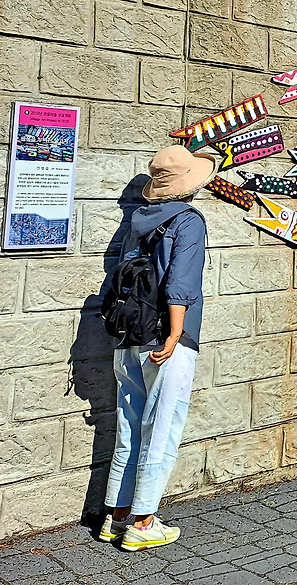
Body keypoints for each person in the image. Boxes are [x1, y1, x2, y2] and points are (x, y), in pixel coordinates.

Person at [99, 144, 214, 551]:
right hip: (166, 337)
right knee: (162, 427)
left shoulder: (137, 221)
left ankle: (117, 517)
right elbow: (182, 282)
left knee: (129, 426)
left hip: (128, 335)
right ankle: (144, 523)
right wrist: (175, 334)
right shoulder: (188, 221)